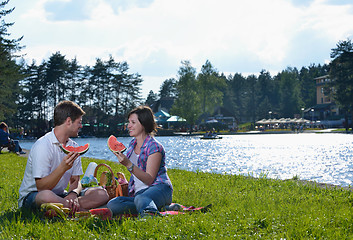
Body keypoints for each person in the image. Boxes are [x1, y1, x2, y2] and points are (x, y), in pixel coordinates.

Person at [18, 100, 109, 214]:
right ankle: (81, 211)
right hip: (33, 196)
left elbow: (75, 181)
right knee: (46, 196)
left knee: (101, 193)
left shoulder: (73, 146)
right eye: (79, 122)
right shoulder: (43, 145)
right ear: (69, 121)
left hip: (60, 196)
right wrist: (63, 168)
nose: (81, 126)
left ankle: (61, 209)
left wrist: (73, 194)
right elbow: (41, 187)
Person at [107, 105, 173, 217]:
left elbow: (149, 180)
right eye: (129, 122)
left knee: (142, 198)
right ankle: (158, 207)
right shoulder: (132, 145)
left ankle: (149, 216)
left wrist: (128, 164)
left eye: (133, 122)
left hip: (159, 188)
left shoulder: (155, 147)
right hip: (138, 193)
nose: (128, 126)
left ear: (143, 123)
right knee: (113, 204)